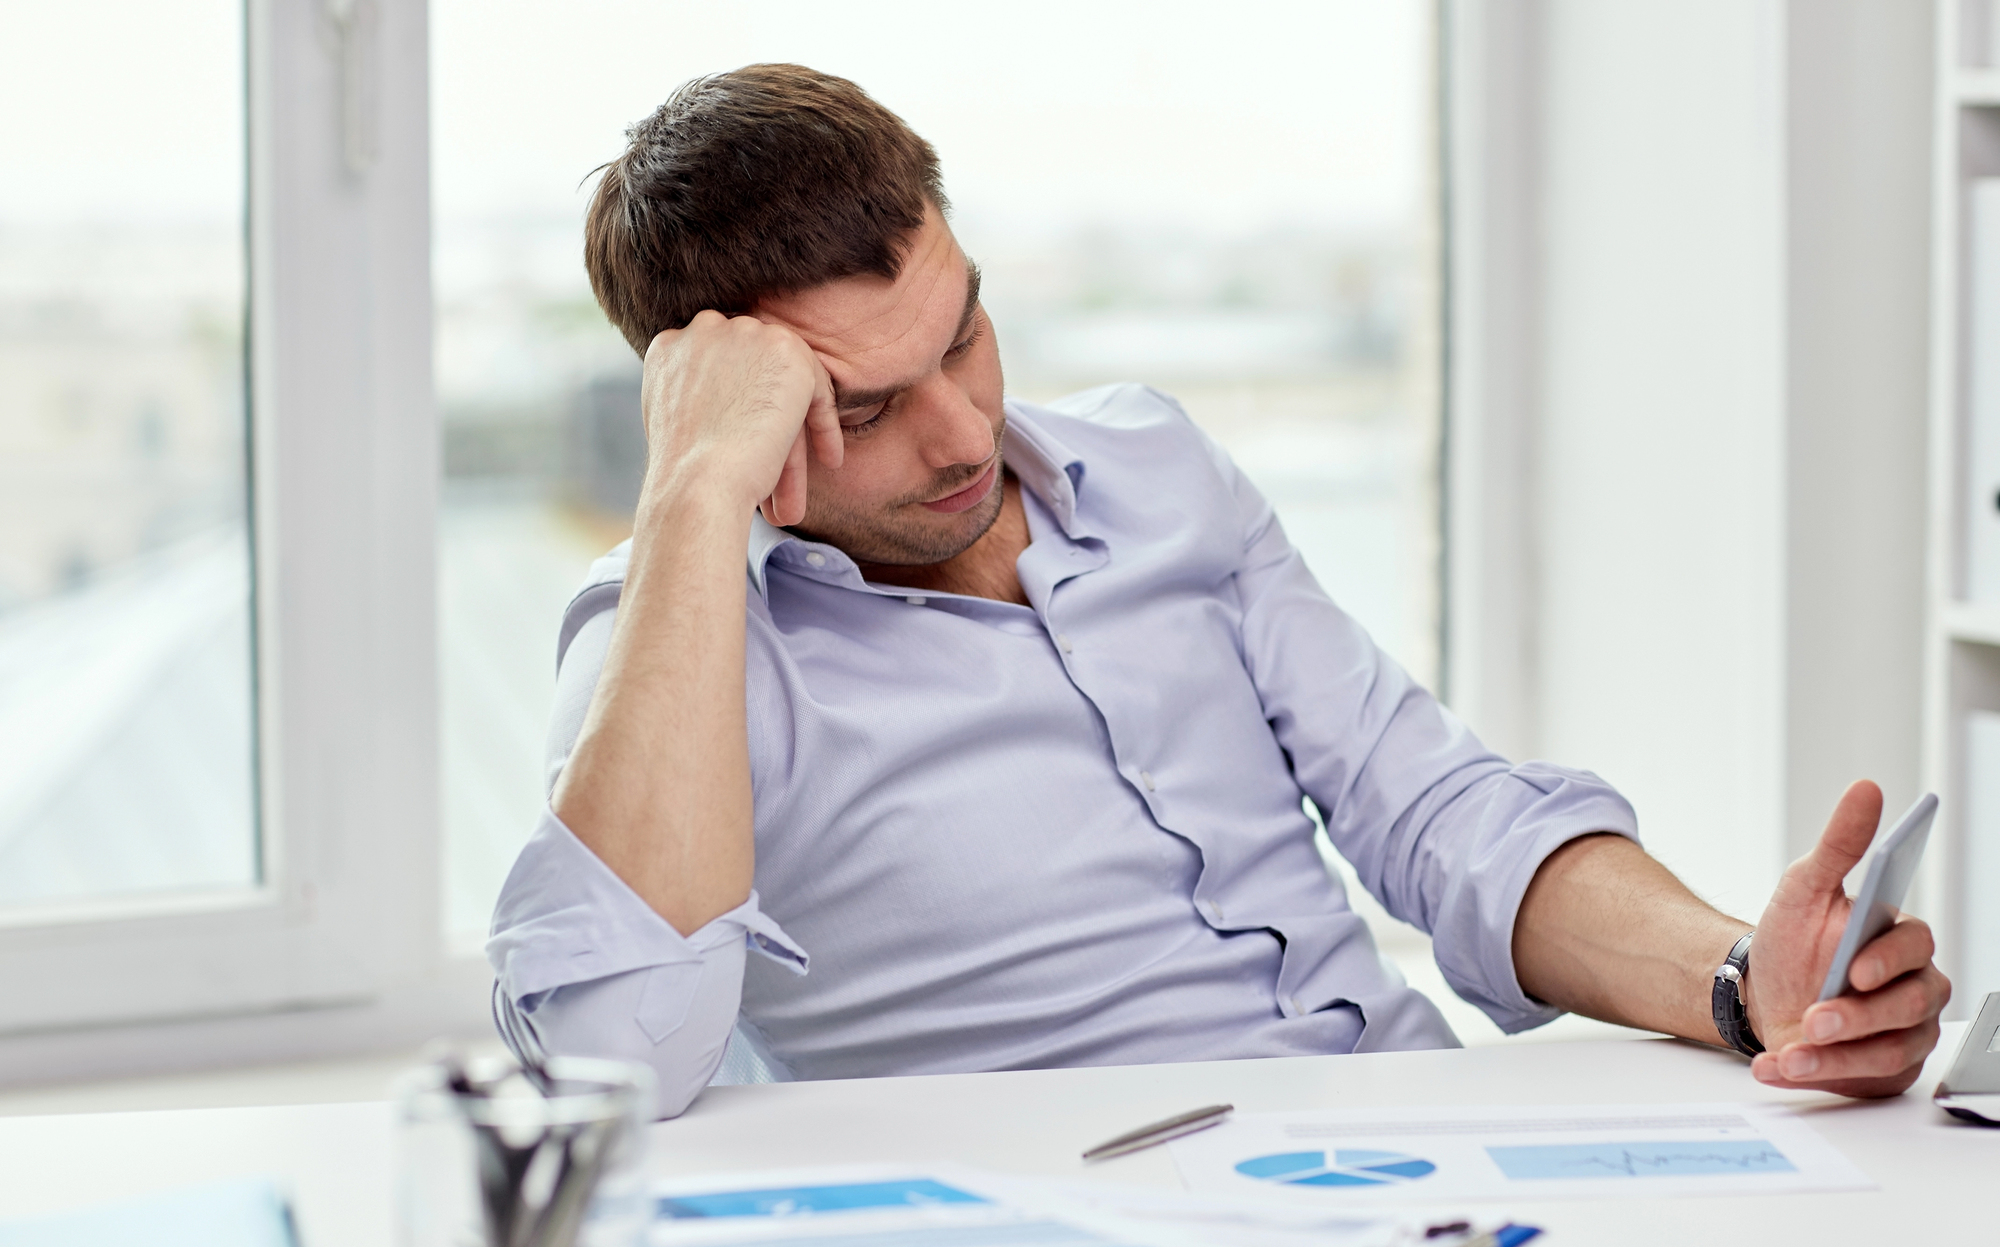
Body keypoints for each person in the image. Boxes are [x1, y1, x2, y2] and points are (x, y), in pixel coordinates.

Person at [486, 64, 1950, 1119]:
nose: (962, 430)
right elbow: (610, 1069)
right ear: (713, 402)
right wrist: (689, 500)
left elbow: (1434, 812)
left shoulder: (1154, 466)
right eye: (861, 409)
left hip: (1430, 1167)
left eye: (966, 332)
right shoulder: (667, 645)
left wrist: (1751, 980)